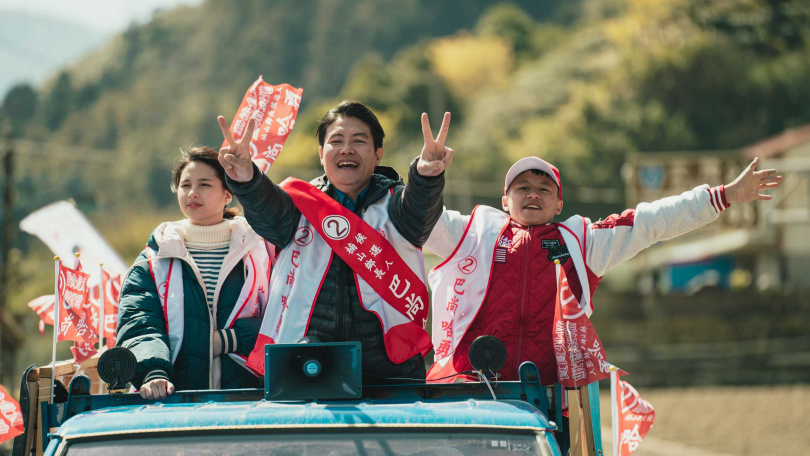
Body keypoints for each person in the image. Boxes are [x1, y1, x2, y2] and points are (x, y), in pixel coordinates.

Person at [425, 155, 782, 384]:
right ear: (505, 200)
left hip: (549, 396)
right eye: (523, 188)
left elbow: (649, 222)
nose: (533, 194)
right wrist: (425, 175)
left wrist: (723, 195)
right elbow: (416, 220)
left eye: (544, 189)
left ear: (559, 203)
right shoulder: (471, 233)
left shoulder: (584, 242)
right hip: (469, 387)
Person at [217, 100, 454, 382]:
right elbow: (268, 210)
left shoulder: (397, 205)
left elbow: (421, 211)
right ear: (321, 153)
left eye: (359, 140)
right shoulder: (298, 204)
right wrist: (247, 179)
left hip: (392, 370)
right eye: (336, 141)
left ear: (378, 154)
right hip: (308, 364)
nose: (346, 149)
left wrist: (427, 175)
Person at [117, 146, 274, 399]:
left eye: (204, 185)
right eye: (185, 185)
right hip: (177, 400)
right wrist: (153, 372)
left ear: (228, 194)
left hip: (251, 399)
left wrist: (230, 340)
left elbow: (286, 314)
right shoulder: (154, 258)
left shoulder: (260, 250)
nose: (192, 193)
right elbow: (139, 322)